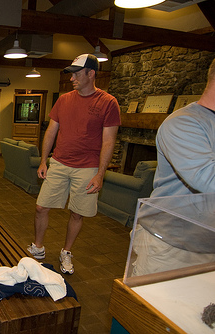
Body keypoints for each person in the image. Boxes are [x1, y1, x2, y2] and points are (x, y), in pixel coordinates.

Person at [27, 54, 121, 274]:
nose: (72, 79)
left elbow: (109, 141)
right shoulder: (64, 99)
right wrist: (44, 160)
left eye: (77, 74)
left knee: (77, 213)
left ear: (91, 74)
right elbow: (51, 131)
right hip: (59, 162)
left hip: (87, 167)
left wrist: (100, 174)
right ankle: (38, 247)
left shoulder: (108, 102)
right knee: (41, 207)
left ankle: (66, 252)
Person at [131, 57, 215, 277]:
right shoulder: (184, 122)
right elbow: (207, 178)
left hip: (208, 243)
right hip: (169, 244)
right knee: (143, 309)